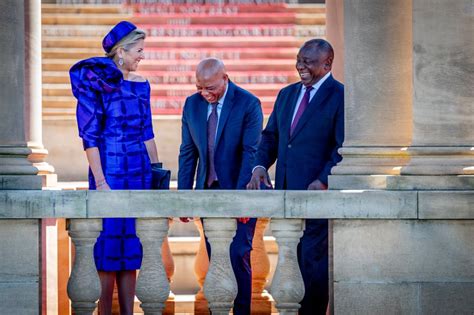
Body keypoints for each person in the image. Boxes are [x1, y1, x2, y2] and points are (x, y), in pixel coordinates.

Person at [247, 39, 344, 314]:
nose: (300, 66)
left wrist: (324, 179)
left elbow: (342, 146)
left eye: (308, 62)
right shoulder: (287, 94)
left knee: (313, 263)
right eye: (299, 60)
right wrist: (259, 167)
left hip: (317, 197)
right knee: (293, 259)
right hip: (286, 195)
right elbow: (270, 138)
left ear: (327, 64)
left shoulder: (340, 96)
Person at [70, 21, 160, 315]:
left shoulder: (143, 85)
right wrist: (100, 182)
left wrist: (157, 172)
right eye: (138, 50)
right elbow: (90, 136)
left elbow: (148, 131)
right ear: (120, 52)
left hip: (138, 172)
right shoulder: (95, 82)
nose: (142, 56)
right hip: (107, 169)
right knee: (107, 246)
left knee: (131, 246)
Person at [178, 58, 263, 314]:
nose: (205, 94)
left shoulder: (248, 103)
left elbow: (251, 152)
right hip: (207, 191)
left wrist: (241, 200)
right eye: (199, 88)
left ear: (225, 77)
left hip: (241, 189)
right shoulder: (192, 105)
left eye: (211, 88)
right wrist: (184, 198)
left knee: (238, 254)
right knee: (216, 256)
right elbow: (187, 152)